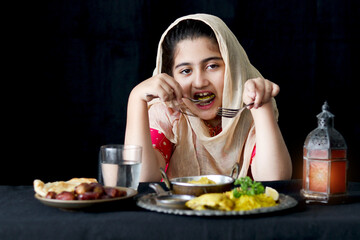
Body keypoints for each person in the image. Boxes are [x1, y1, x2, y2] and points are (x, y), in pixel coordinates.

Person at [125, 14, 292, 182]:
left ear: (233, 66)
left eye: (212, 66)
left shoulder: (249, 111)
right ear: (170, 78)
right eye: (186, 71)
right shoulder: (168, 113)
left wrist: (261, 107)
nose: (199, 82)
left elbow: (276, 179)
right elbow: (140, 178)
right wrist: (135, 100)